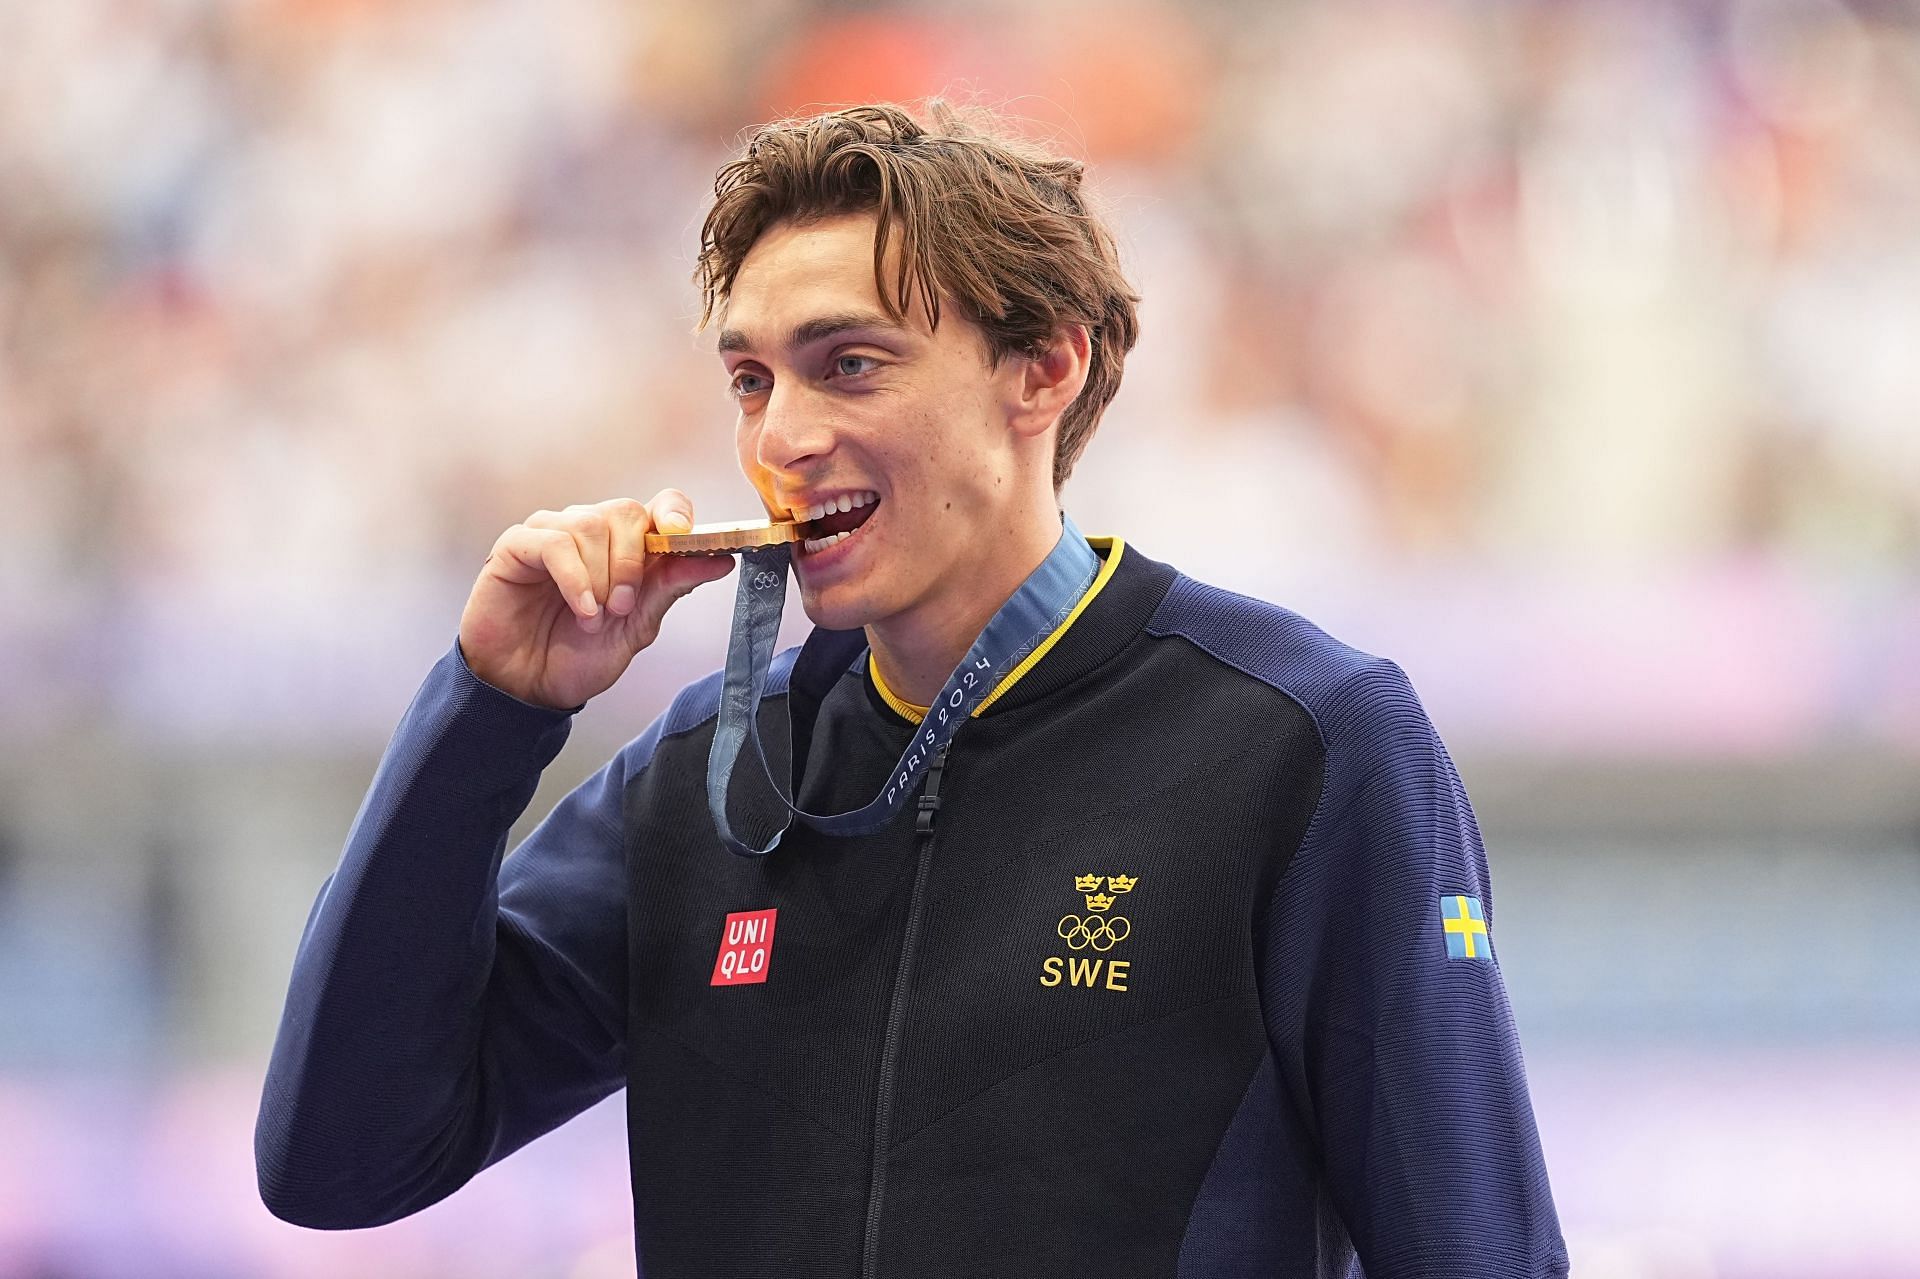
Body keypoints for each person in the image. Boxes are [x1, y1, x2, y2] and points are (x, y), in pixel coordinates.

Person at [256, 100, 1568, 1278]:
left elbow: (1473, 1254)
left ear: (1044, 369)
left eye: (850, 365)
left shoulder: (1302, 739)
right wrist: (491, 708)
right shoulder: (712, 765)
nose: (779, 438)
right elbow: (340, 1160)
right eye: (751, 379)